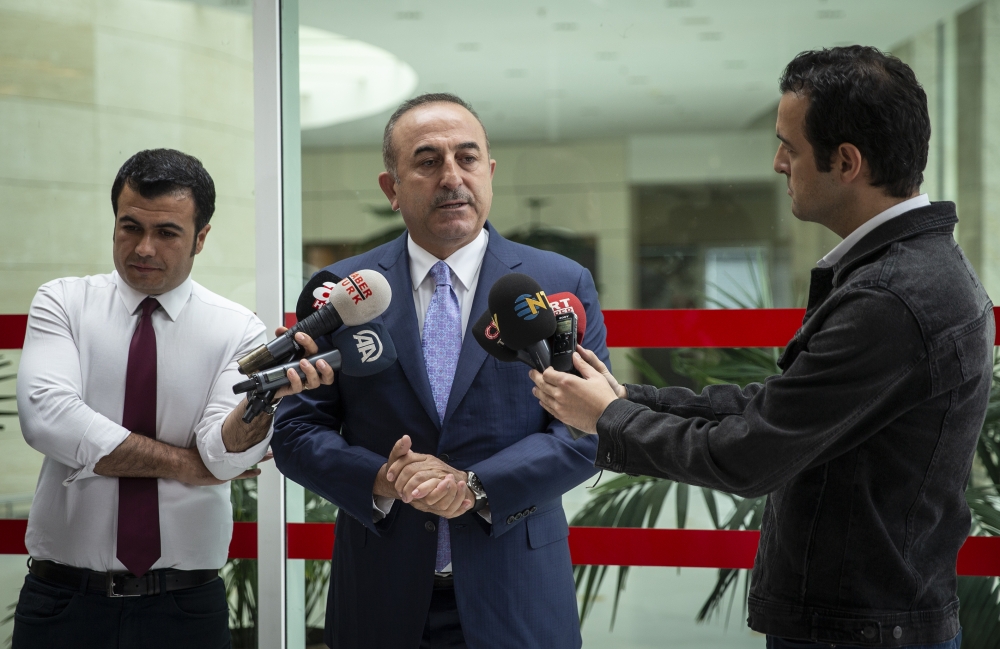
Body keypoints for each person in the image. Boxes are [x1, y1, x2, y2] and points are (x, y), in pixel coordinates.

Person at [531, 46, 993, 649]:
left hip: (859, 631)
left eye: (790, 147)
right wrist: (630, 398)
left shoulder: (893, 297)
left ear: (847, 161)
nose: (779, 163)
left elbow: (750, 455)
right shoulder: (902, 274)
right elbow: (781, 405)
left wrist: (610, 419)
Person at [271, 93, 608, 649]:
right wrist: (386, 478)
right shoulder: (341, 290)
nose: (452, 177)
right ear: (392, 187)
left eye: (467, 158)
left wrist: (472, 487)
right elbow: (295, 432)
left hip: (517, 595)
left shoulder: (558, 284)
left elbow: (585, 429)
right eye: (427, 162)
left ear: (490, 173)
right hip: (379, 597)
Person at [14, 148, 332, 649]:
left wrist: (264, 400)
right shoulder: (62, 302)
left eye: (166, 232)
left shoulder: (237, 329)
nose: (143, 247)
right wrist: (185, 466)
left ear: (200, 238)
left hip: (183, 611)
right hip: (62, 604)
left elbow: (222, 454)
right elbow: (47, 419)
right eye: (129, 226)